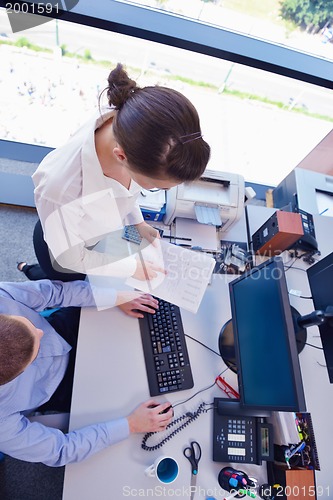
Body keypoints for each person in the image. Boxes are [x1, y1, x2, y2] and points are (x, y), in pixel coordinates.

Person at [19, 62, 210, 282]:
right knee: (63, 282)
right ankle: (28, 269)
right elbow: (70, 258)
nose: (161, 189)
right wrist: (130, 269)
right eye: (157, 186)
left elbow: (126, 193)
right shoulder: (60, 188)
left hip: (104, 236)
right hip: (65, 250)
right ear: (122, 157)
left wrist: (138, 223)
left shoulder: (133, 129)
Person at [0, 278, 172, 466]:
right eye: (37, 348)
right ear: (21, 372)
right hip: (60, 387)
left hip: (61, 329)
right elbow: (61, 450)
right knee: (132, 390)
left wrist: (115, 297)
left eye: (26, 322)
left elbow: (55, 292)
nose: (40, 332)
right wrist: (131, 425)